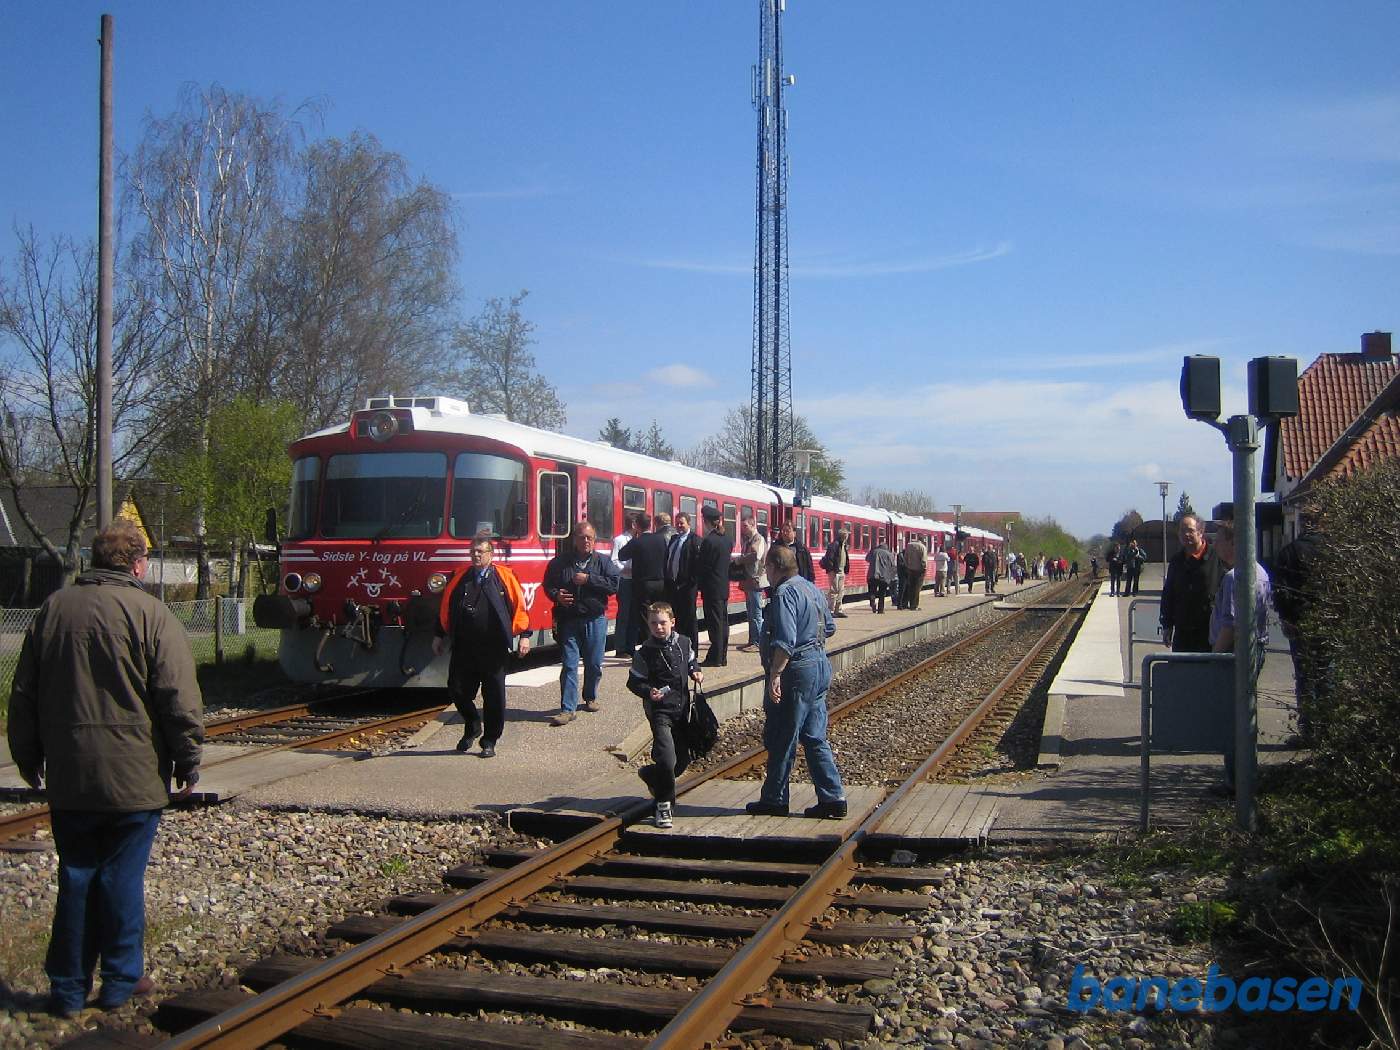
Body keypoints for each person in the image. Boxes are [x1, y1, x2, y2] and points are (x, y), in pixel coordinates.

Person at [7, 519, 203, 1017]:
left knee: (75, 877)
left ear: (96, 561)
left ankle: (68, 990)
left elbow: (24, 694)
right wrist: (188, 761)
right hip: (134, 778)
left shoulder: (52, 610)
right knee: (120, 877)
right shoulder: (150, 613)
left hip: (71, 775)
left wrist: (27, 757)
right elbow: (177, 698)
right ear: (137, 564)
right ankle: (119, 981)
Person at [745, 544, 847, 819]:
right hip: (819, 665)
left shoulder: (784, 594)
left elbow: (786, 641)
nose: (766, 571)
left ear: (775, 567)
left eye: (767, 567)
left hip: (796, 670)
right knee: (814, 736)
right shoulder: (811, 588)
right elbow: (830, 627)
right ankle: (833, 798)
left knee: (782, 734)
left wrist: (776, 674)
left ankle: (775, 799)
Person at [433, 536, 531, 757]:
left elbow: (519, 607)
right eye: (473, 551)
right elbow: (446, 608)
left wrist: (525, 635)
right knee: (457, 689)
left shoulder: (504, 577)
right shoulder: (460, 578)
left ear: (490, 554)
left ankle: (489, 740)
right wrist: (438, 635)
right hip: (465, 646)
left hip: (493, 648)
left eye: (481, 551)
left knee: (494, 695)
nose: (476, 555)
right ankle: (472, 724)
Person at [627, 602, 704, 829]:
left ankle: (651, 775)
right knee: (667, 759)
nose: (659, 627)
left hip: (681, 710)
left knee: (681, 761)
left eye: (663, 623)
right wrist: (647, 692)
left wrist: (695, 671)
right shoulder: (645, 653)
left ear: (672, 622)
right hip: (660, 712)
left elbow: (691, 661)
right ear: (648, 625)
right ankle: (664, 807)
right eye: (654, 623)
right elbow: (633, 682)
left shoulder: (684, 642)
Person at [1209, 519, 1272, 789]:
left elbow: (1231, 624)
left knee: (1232, 719)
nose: (1214, 545)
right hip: (1255, 648)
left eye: (1219, 540)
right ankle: (1244, 777)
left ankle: (1236, 782)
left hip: (1235, 654)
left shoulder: (1236, 577)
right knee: (1244, 715)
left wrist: (1213, 656)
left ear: (1234, 543)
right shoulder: (1259, 571)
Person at [543, 522, 620, 725]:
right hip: (569, 619)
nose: (585, 541)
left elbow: (614, 585)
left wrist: (589, 580)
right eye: (581, 537)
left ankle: (590, 696)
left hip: (595, 619)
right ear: (574, 540)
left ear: (594, 540)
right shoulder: (559, 563)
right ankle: (567, 709)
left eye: (589, 537)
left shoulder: (603, 562)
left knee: (594, 663)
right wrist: (556, 595)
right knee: (569, 665)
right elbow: (548, 585)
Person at [1272, 519, 1324, 741]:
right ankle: (1329, 730)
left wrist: (1286, 618)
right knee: (1327, 675)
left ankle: (1309, 730)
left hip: (1299, 624)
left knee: (1305, 676)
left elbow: (1281, 590)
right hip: (1330, 624)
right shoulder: (1336, 551)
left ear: (1303, 526)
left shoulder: (1290, 552)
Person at [1160, 514, 1224, 653]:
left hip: (1209, 633)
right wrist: (1167, 625)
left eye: (1189, 530)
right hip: (1183, 633)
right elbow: (1168, 594)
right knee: (1182, 672)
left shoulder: (1217, 557)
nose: (1185, 534)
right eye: (1182, 530)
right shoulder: (1177, 561)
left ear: (1200, 532)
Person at [620, 513, 668, 659]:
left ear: (638, 526)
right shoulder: (661, 539)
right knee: (659, 614)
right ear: (651, 524)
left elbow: (622, 555)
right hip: (660, 583)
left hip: (643, 585)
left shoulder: (638, 541)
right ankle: (661, 645)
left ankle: (651, 650)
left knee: (645, 618)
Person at [696, 506, 732, 666]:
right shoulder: (726, 540)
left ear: (706, 521)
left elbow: (703, 566)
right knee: (723, 623)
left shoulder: (709, 541)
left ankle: (715, 658)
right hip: (723, 587)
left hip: (711, 588)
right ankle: (722, 656)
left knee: (714, 624)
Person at [664, 511, 702, 655]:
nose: (679, 526)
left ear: (688, 524)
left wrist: (692, 581)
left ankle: (693, 650)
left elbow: (698, 564)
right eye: (677, 523)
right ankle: (677, 647)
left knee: (690, 619)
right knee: (676, 618)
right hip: (673, 586)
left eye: (682, 523)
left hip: (687, 586)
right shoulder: (674, 539)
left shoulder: (695, 540)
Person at [737, 515, 769, 652]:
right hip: (748, 580)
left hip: (756, 580)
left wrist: (740, 560)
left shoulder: (758, 539)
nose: (743, 529)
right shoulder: (748, 540)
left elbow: (755, 556)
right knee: (750, 612)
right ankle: (752, 640)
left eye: (745, 526)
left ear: (752, 525)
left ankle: (758, 642)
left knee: (756, 613)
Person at [610, 515, 640, 658]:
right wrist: (624, 569)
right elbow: (614, 560)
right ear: (633, 524)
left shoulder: (638, 540)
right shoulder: (619, 540)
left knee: (634, 615)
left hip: (636, 580)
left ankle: (631, 646)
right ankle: (620, 647)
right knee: (624, 614)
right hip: (625, 580)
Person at [821, 524, 852, 617]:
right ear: (842, 536)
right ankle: (831, 610)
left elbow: (845, 558)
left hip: (841, 571)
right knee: (833, 591)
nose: (846, 537)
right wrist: (831, 570)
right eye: (845, 535)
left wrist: (846, 568)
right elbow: (830, 558)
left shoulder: (844, 545)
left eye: (847, 535)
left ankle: (838, 610)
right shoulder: (834, 545)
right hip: (834, 571)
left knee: (841, 591)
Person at [774, 519, 815, 584]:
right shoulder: (775, 547)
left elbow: (809, 568)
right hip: (781, 584)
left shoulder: (802, 549)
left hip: (799, 583)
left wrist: (811, 584)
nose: (784, 533)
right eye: (783, 531)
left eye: (787, 531)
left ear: (794, 533)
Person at [865, 535, 897, 613]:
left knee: (872, 591)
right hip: (884, 576)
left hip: (872, 575)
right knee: (882, 593)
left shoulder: (874, 551)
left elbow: (867, 559)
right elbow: (893, 565)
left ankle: (872, 602)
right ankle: (880, 610)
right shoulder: (889, 554)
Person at [903, 534, 928, 609]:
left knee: (911, 587)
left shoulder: (909, 545)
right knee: (917, 588)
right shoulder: (922, 547)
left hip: (910, 570)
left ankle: (910, 604)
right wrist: (924, 569)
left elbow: (905, 557)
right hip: (919, 570)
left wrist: (907, 566)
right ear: (923, 540)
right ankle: (914, 605)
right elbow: (923, 560)